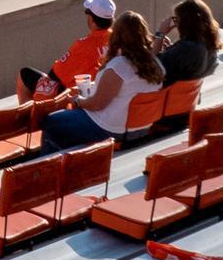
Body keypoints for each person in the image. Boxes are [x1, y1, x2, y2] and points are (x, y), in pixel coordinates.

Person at [38, 11, 166, 154]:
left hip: (110, 128)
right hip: (141, 127)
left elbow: (97, 104)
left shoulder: (120, 66)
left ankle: (48, 169)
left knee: (52, 122)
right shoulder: (156, 64)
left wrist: (77, 101)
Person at [18, 0, 115, 101]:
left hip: (76, 97)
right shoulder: (117, 40)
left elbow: (55, 74)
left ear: (92, 19)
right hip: (102, 93)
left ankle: (26, 116)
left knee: (24, 74)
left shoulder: (83, 45)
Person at [156, 0, 221, 83]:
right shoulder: (210, 45)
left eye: (176, 19)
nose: (176, 24)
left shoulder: (186, 48)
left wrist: (160, 34)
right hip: (186, 95)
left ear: (185, 22)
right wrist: (172, 49)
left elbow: (152, 65)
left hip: (161, 93)